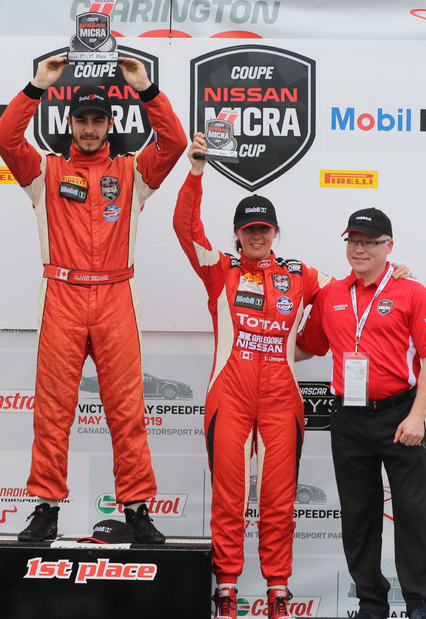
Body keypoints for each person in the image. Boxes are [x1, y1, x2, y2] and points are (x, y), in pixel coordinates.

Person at [0, 55, 187, 543]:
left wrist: (146, 88)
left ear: (110, 124)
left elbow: (176, 143)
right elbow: (4, 139)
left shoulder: (133, 172)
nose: (90, 129)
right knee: (54, 409)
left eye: (99, 120)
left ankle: (137, 508)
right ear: (70, 123)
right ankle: (46, 508)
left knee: (127, 407)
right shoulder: (45, 171)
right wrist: (38, 84)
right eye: (82, 120)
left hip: (117, 292)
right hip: (61, 293)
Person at [173, 133, 333, 619]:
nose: (257, 236)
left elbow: (339, 307)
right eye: (249, 229)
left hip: (283, 399)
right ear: (237, 233)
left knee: (279, 499)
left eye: (264, 229)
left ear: (276, 232)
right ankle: (226, 588)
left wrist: (394, 270)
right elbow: (185, 228)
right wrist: (197, 171)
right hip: (231, 397)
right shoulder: (219, 269)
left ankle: (278, 589)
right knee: (230, 496)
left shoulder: (301, 275)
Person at [295, 208, 426, 619]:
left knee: (412, 512)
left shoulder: (411, 290)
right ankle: (371, 602)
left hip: (400, 415)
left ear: (388, 247)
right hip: (347, 417)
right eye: (352, 241)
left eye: (368, 241)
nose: (358, 248)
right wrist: (257, 342)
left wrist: (417, 416)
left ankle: (420, 602)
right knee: (359, 515)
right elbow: (307, 346)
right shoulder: (330, 295)